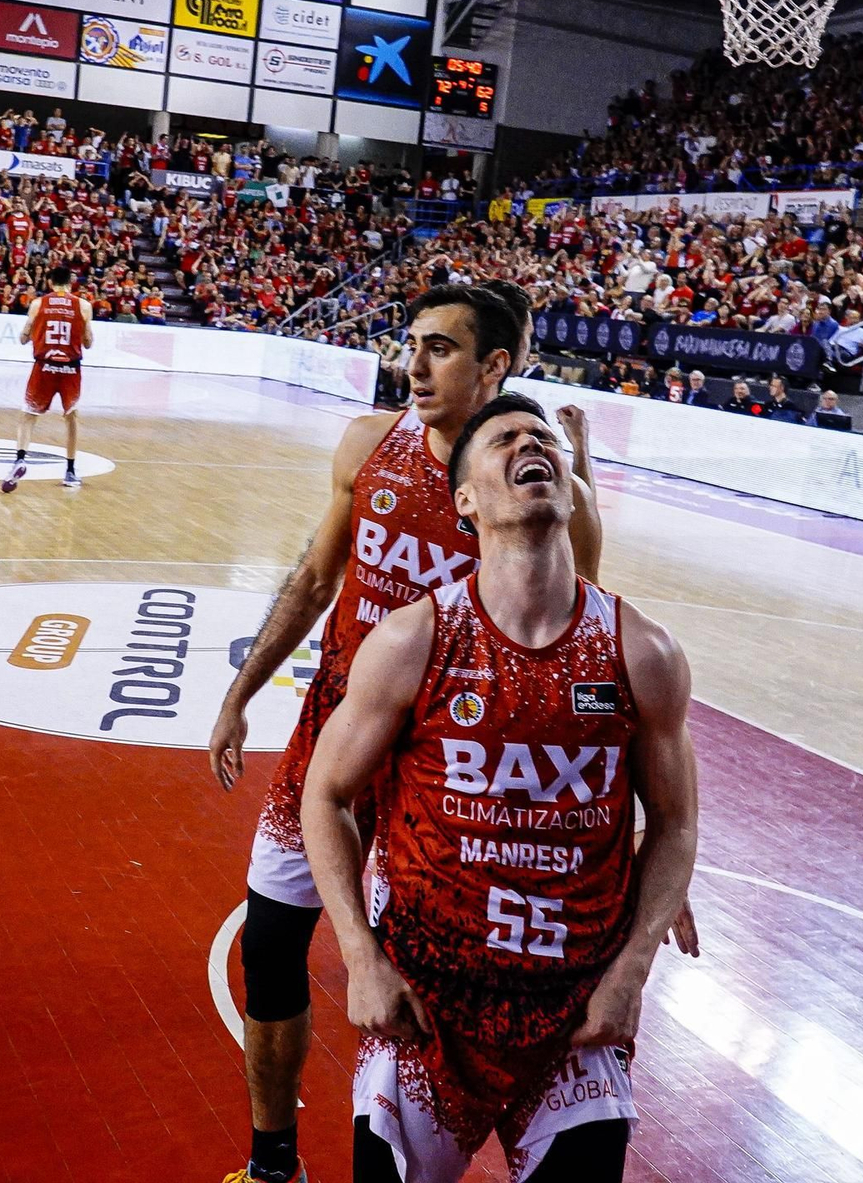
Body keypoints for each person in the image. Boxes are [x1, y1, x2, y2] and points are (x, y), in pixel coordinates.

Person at [207, 284, 613, 1183]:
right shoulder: (370, 445)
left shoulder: (539, 493)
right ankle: (273, 1164)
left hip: (437, 781)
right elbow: (315, 582)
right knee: (271, 943)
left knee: (416, 998)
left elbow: (568, 653)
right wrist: (241, 692)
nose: (413, 365)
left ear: (496, 366)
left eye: (438, 349)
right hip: (329, 741)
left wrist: (628, 833)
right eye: (411, 345)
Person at [301, 393, 698, 1183]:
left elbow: (677, 823)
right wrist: (360, 954)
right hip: (427, 1000)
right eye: (506, 438)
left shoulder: (641, 650)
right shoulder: (415, 638)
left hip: (576, 1012)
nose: (532, 444)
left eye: (543, 437)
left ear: (571, 478)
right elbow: (325, 795)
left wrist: (632, 969)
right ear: (466, 500)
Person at [3, 269, 92, 493]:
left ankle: (20, 459)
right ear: (70, 283)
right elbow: (88, 342)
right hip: (70, 369)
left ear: (50, 282)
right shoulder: (83, 305)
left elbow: (24, 338)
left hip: (44, 366)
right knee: (71, 418)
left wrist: (33, 333)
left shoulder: (37, 304)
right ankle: (70, 471)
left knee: (28, 416)